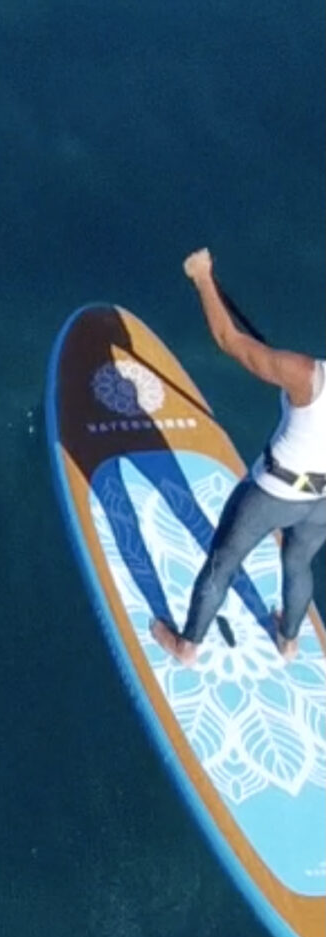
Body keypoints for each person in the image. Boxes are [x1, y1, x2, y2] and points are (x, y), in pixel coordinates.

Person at [149, 248, 326, 666]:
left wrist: (203, 278)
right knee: (299, 563)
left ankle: (186, 646)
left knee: (223, 562)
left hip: (271, 493)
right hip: (321, 504)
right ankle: (288, 641)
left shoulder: (306, 376)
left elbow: (230, 341)